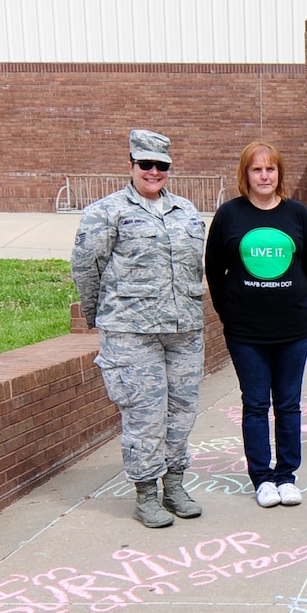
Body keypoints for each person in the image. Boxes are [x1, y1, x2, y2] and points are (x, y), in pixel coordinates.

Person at [71, 129, 209, 528]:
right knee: (144, 415)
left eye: (161, 165)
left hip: (183, 330)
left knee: (181, 411)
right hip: (131, 333)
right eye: (145, 164)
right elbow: (86, 268)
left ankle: (175, 484)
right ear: (130, 164)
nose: (153, 171)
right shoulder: (105, 212)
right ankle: (146, 492)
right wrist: (100, 315)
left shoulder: (186, 210)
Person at [206, 141, 307, 508]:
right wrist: (230, 314)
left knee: (289, 404)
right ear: (245, 175)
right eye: (257, 169)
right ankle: (262, 478)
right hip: (246, 332)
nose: (264, 176)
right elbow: (213, 270)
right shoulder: (229, 215)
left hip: (292, 330)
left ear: (279, 174)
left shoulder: (297, 215)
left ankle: (286, 476)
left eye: (270, 169)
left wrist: (300, 304)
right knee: (255, 404)